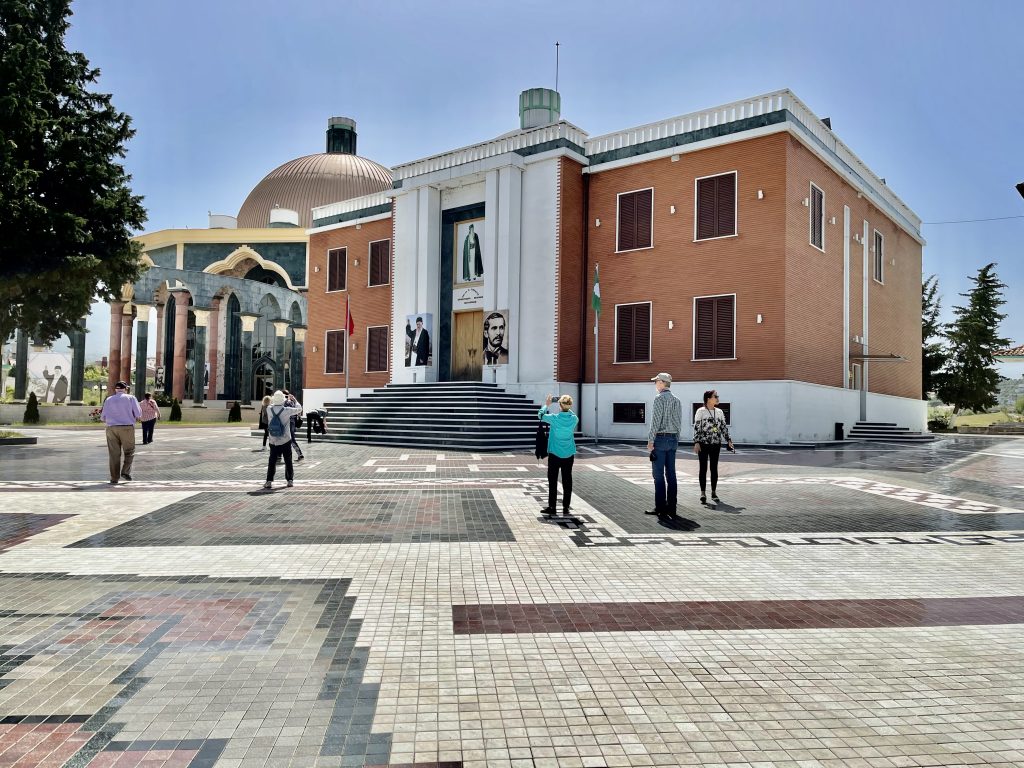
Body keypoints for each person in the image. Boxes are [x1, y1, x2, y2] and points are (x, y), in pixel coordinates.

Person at [646, 373, 682, 517]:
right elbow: (679, 422)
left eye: (656, 381)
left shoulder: (659, 398)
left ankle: (660, 507)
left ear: (662, 382)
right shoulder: (676, 400)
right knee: (671, 474)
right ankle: (672, 507)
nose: (655, 384)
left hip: (660, 439)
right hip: (673, 439)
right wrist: (676, 439)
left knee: (658, 475)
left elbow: (655, 421)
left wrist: (650, 440)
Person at [538, 394, 578, 515]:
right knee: (567, 480)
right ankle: (566, 507)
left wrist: (547, 404)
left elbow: (540, 415)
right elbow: (572, 414)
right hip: (569, 454)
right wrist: (566, 406)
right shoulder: (574, 419)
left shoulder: (554, 418)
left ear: (560, 405)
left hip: (555, 454)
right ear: (570, 405)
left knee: (553, 481)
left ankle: (552, 507)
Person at [693, 389, 734, 505]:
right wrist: (696, 442)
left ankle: (713, 492)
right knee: (703, 468)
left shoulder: (719, 412)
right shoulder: (700, 411)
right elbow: (697, 428)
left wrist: (729, 440)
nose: (717, 398)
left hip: (716, 444)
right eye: (715, 396)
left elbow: (723, 428)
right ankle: (702, 493)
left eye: (717, 396)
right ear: (708, 399)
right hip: (703, 444)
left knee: (714, 468)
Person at [100, 380, 141, 484]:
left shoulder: (109, 399)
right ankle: (125, 471)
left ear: (115, 389)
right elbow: (138, 414)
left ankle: (114, 478)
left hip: (111, 428)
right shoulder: (131, 398)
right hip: (126, 428)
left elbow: (103, 417)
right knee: (129, 451)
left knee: (114, 454)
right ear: (126, 389)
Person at [263, 390, 303, 489]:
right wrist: (294, 400)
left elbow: (271, 405)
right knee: (288, 460)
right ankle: (289, 480)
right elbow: (299, 409)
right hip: (285, 440)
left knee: (272, 461)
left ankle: (269, 481)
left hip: (273, 440)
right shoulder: (286, 410)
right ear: (282, 400)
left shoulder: (269, 409)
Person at [283, 390, 304, 462]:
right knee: (290, 439)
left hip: (289, 422)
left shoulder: (288, 402)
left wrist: (290, 400)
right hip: (292, 422)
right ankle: (299, 454)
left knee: (290, 439)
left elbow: (298, 409)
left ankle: (299, 454)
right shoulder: (292, 401)